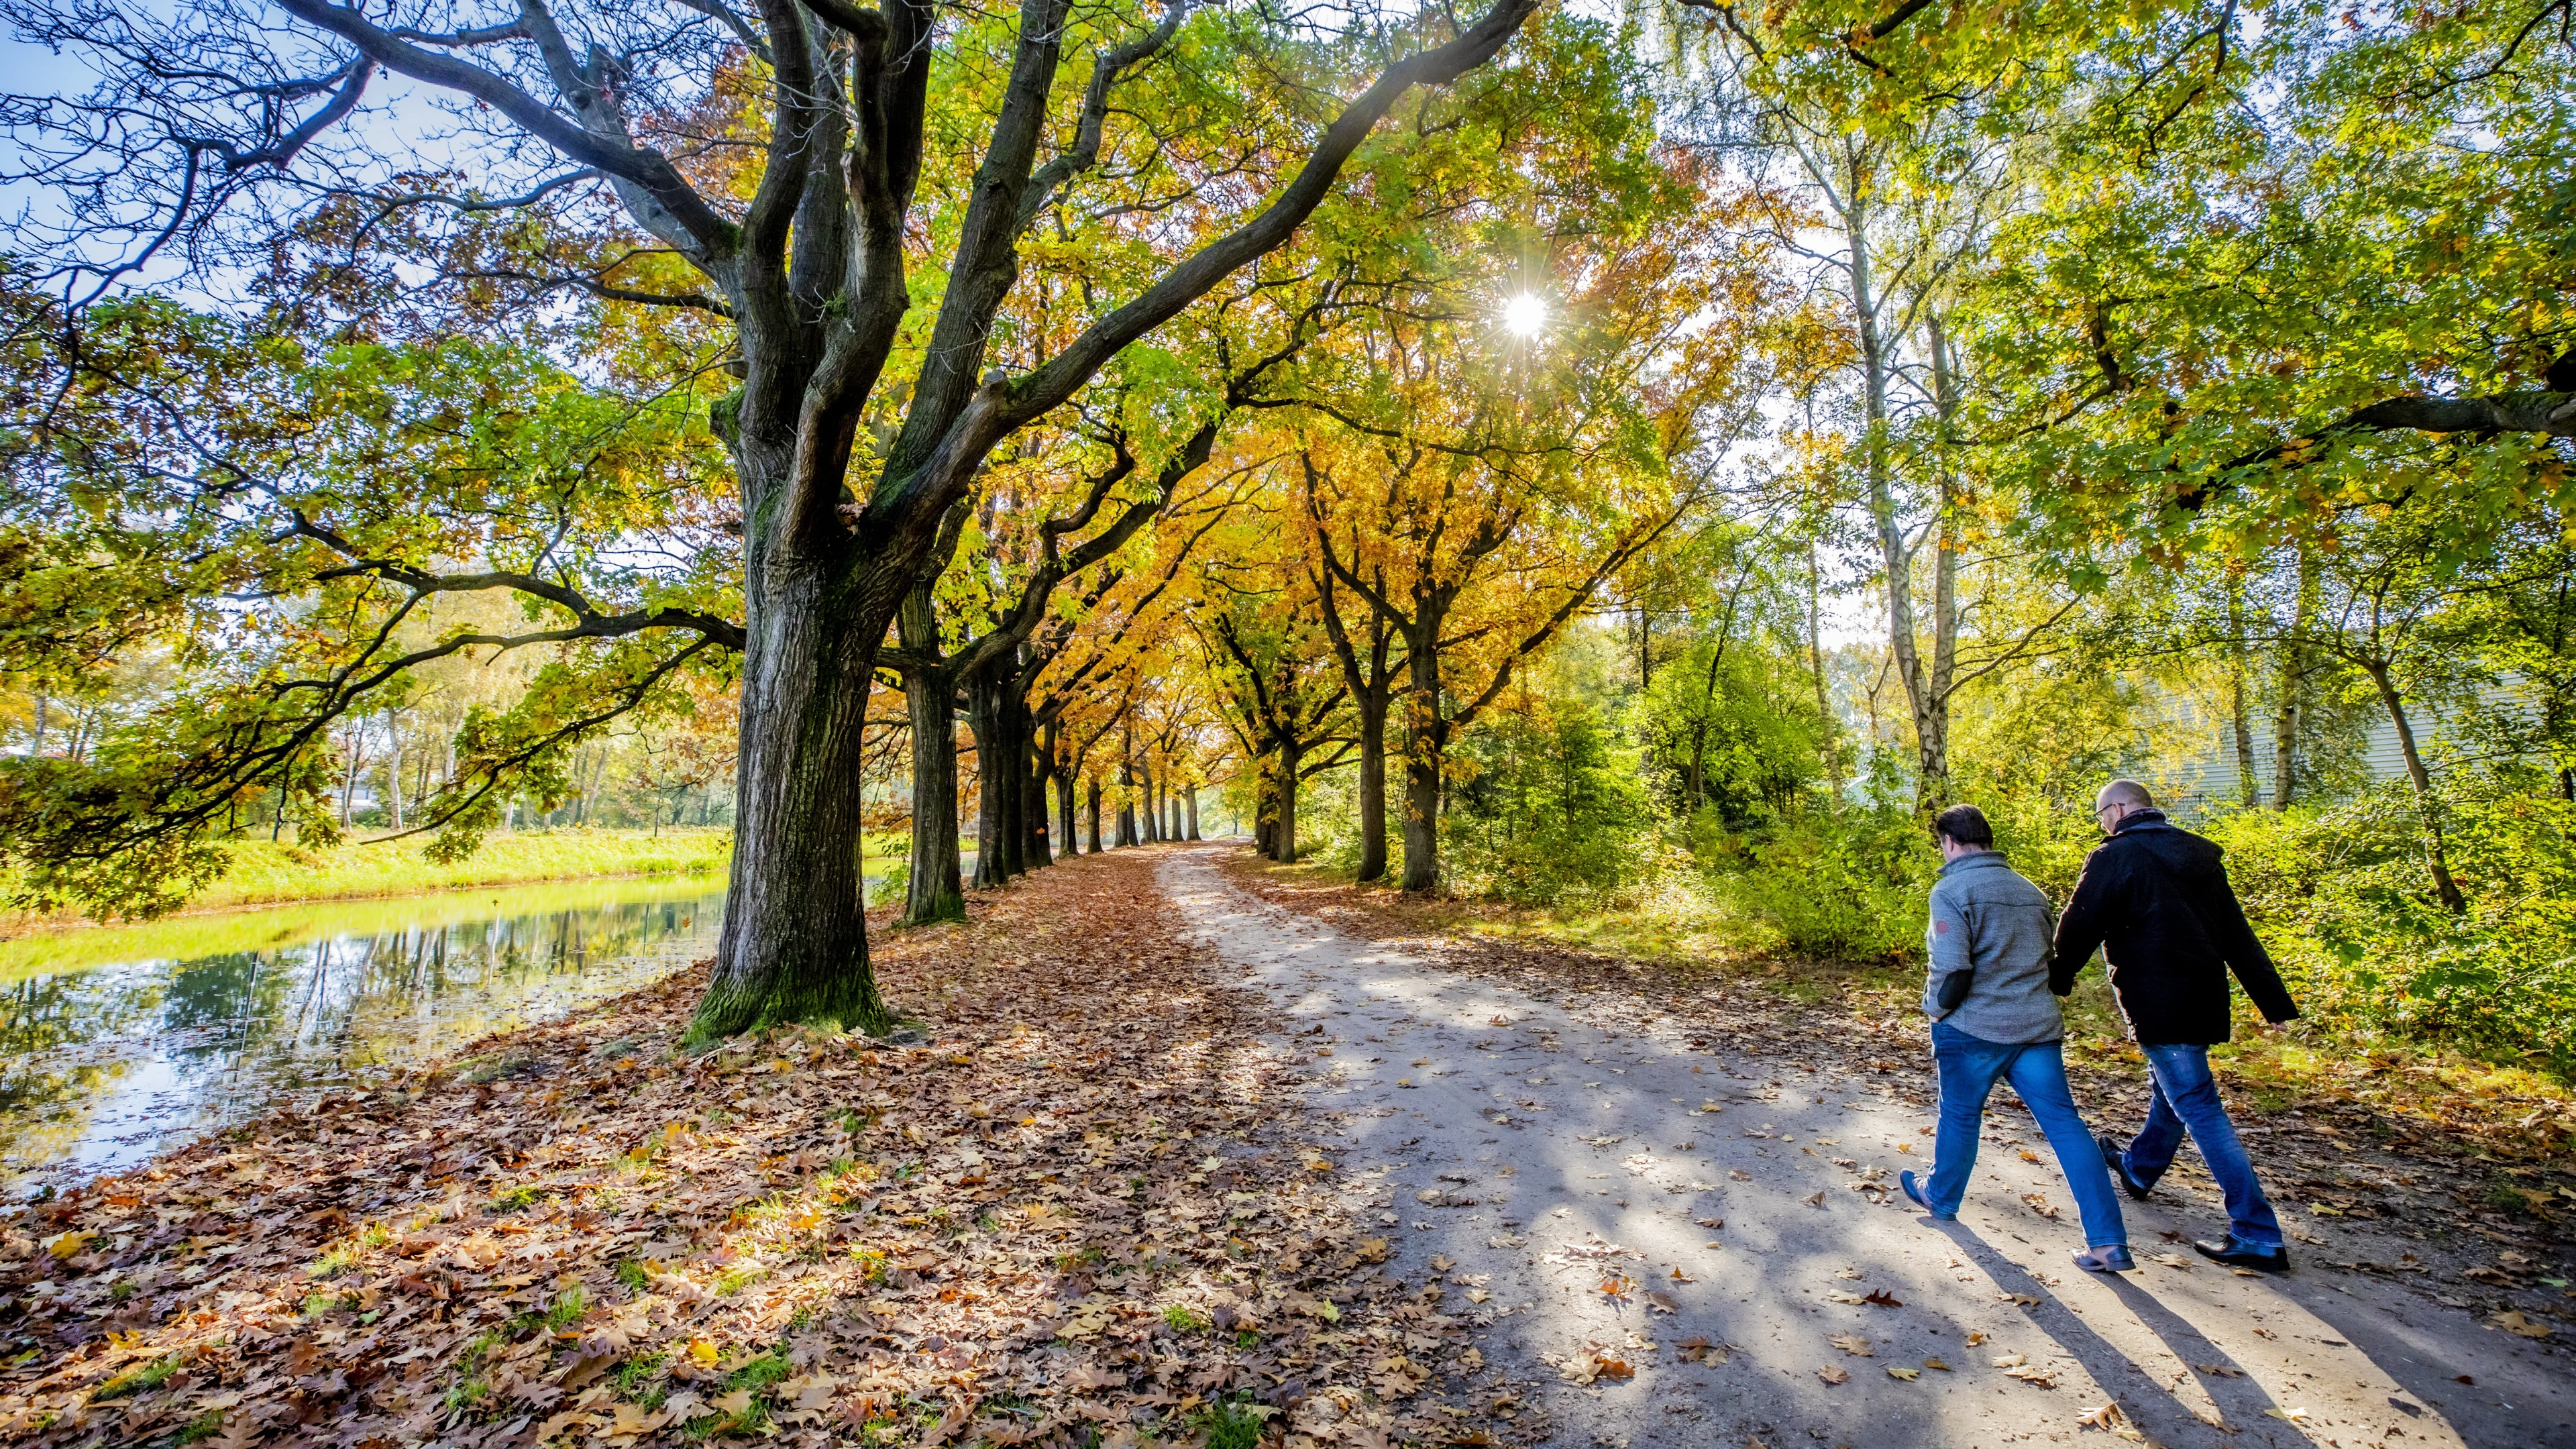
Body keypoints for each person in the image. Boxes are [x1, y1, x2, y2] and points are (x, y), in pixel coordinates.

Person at [2052, 779, 2302, 1272]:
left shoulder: (2116, 856)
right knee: (2173, 1091)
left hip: (2158, 1001)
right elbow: (2237, 935)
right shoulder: (2200, 858)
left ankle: (2258, 1232)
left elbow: (2080, 923)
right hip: (2203, 998)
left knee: (2200, 1108)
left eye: (2103, 814)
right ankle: (2140, 1169)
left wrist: (2057, 979)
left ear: (2119, 809)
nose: (2103, 823)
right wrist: (2275, 1004)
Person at [1898, 804, 2134, 1273]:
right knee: (2067, 1127)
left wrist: (1936, 1012)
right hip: (2035, 1027)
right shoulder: (2031, 891)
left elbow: (1953, 968)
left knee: (1961, 1116)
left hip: (1973, 1027)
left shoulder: (1951, 889)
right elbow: (2048, 956)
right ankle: (2109, 1242)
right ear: (1987, 838)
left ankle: (1940, 1197)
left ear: (1948, 842)